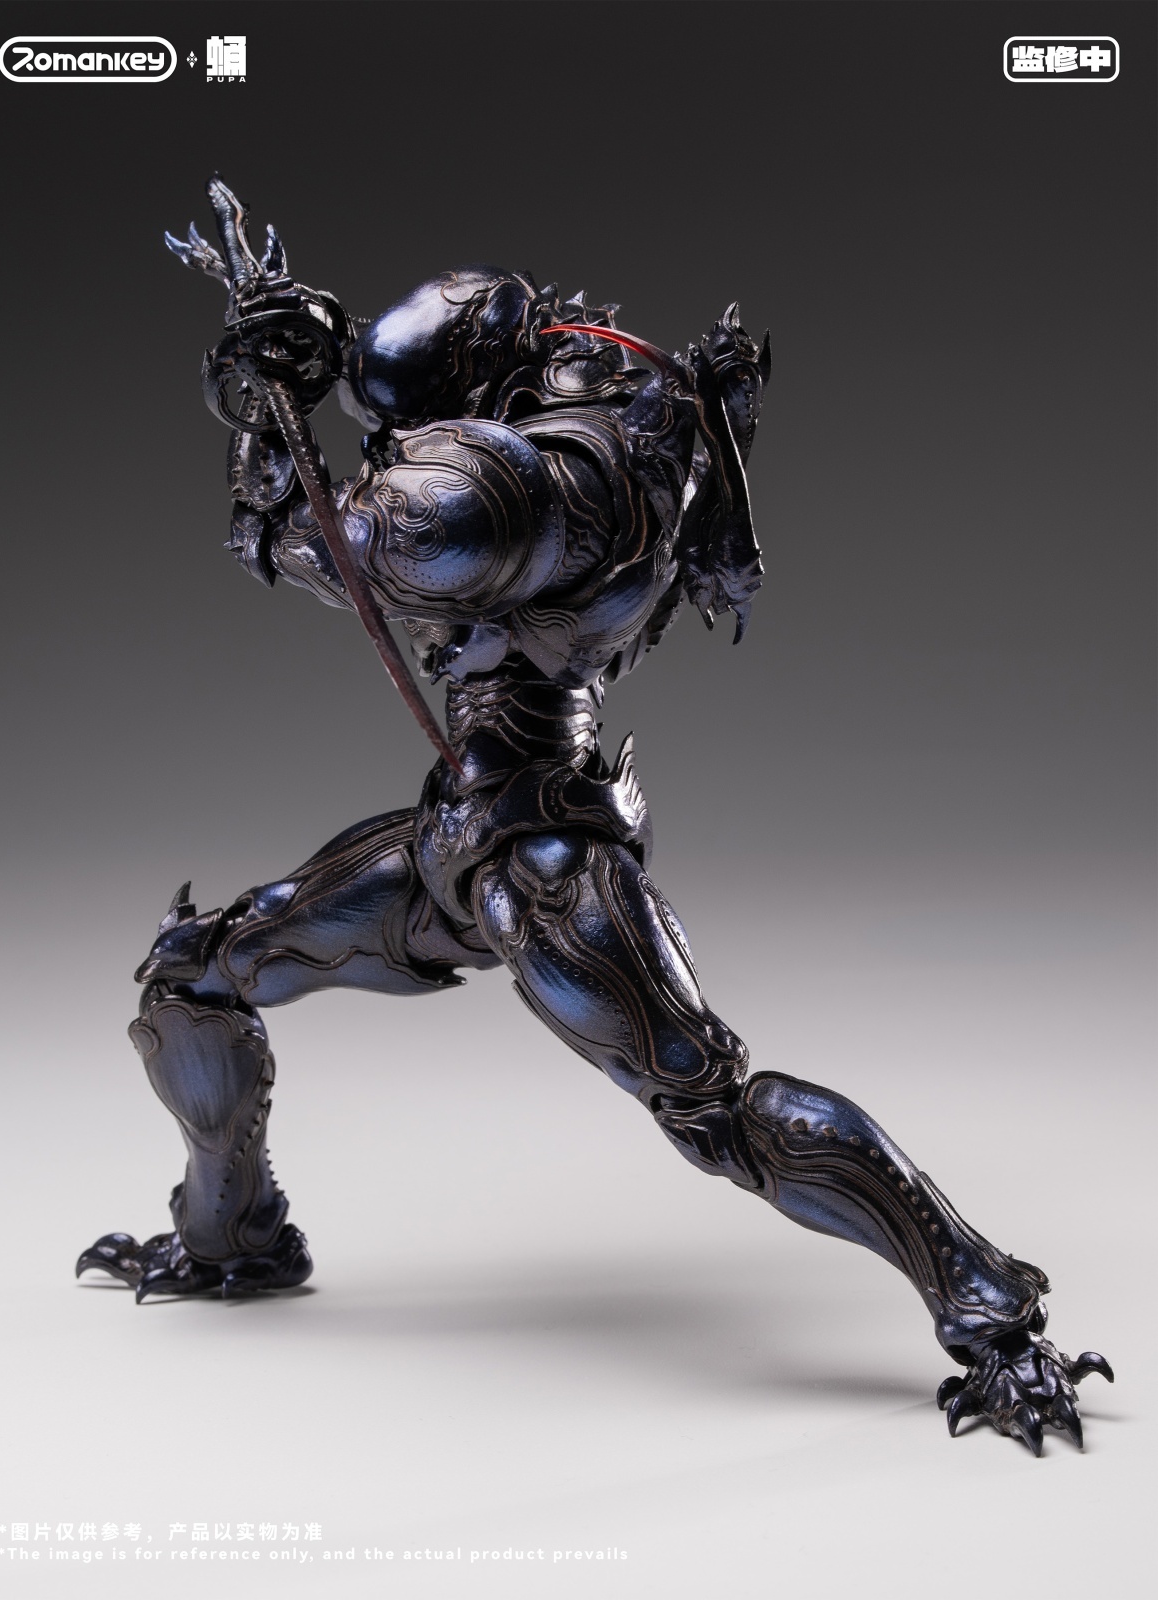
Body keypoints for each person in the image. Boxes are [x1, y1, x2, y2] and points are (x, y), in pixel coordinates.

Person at [78, 182, 1109, 1455]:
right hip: (464, 835)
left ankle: (993, 1316)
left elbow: (336, 542)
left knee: (712, 1104)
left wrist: (263, 411)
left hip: (545, 862)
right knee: (194, 976)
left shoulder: (555, 485)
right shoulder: (593, 424)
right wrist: (316, 364)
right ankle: (232, 1236)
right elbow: (360, 497)